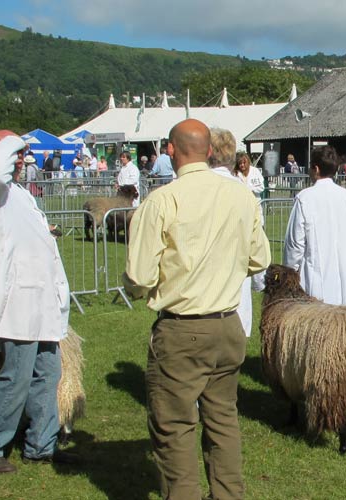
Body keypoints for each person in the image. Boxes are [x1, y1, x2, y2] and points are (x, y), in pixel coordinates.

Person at [124, 118, 270, 500]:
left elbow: (138, 278)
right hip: (227, 324)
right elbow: (260, 259)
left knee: (174, 424)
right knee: (223, 419)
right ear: (209, 151)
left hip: (182, 328)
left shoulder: (162, 200)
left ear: (170, 150)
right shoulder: (241, 196)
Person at [0, 130, 74, 474]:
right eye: (12, 150)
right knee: (18, 376)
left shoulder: (21, 195)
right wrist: (13, 140)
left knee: (47, 372)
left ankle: (41, 444)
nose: (18, 158)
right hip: (16, 299)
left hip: (40, 298)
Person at [284, 145, 346, 305]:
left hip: (314, 283)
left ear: (316, 168)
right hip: (343, 278)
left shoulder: (305, 198)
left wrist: (290, 272)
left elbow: (295, 245)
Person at [206, 129, 259, 338]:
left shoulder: (196, 186)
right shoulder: (244, 192)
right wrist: (258, 281)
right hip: (237, 271)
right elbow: (257, 245)